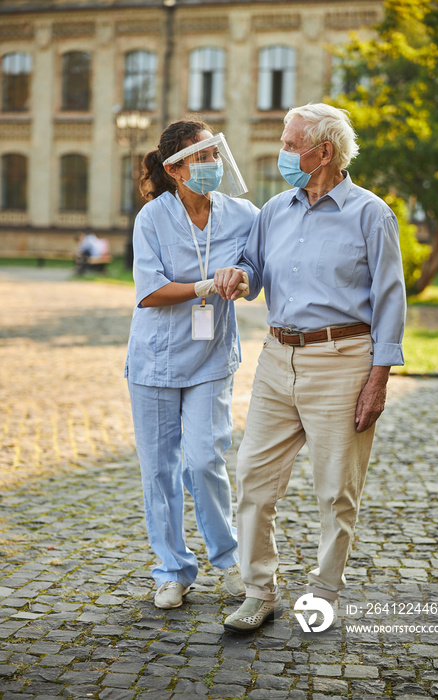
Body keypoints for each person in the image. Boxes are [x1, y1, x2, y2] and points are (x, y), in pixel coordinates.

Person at [214, 102, 407, 633]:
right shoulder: (276, 208)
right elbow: (251, 266)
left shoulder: (372, 213)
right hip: (278, 357)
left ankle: (323, 591)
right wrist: (237, 273)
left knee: (335, 489)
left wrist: (379, 378)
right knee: (254, 476)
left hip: (343, 361)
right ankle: (259, 590)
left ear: (323, 151)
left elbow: (391, 299)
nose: (281, 150)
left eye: (289, 141)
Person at [125, 119, 258, 609]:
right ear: (177, 170)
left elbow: (257, 269)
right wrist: (204, 287)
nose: (212, 165)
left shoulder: (243, 214)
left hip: (211, 357)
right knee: (159, 470)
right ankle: (171, 570)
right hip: (155, 362)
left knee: (205, 459)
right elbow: (150, 293)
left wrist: (241, 276)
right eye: (201, 157)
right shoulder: (152, 219)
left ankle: (226, 562)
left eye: (214, 154)